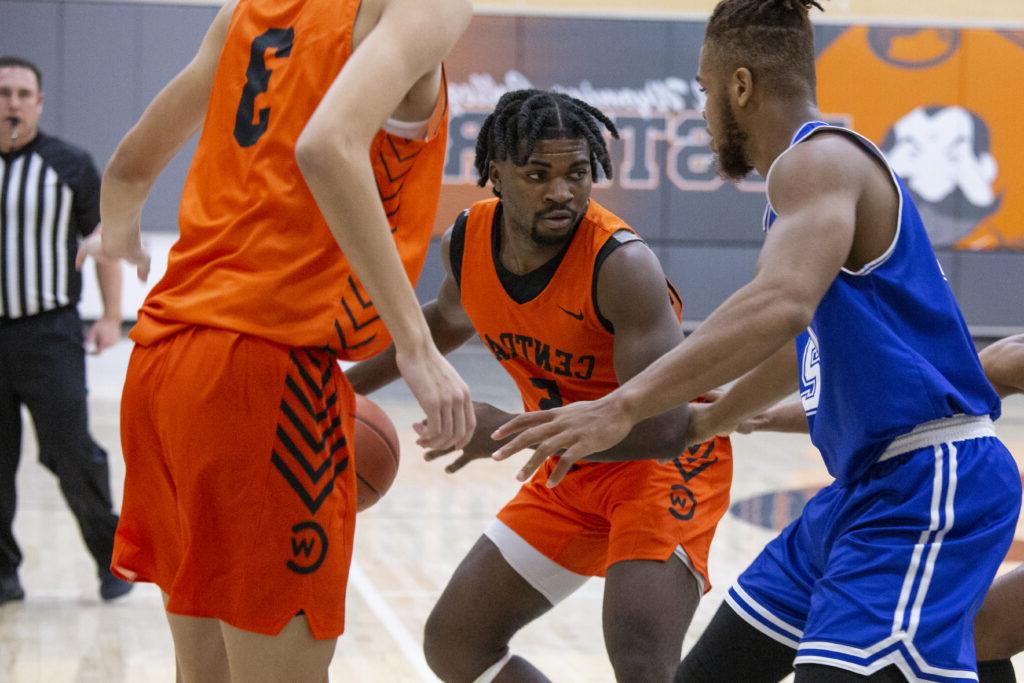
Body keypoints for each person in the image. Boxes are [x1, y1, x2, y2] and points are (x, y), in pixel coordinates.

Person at [492, 2, 1021, 681]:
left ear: (740, 86)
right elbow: (801, 332)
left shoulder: (816, 162)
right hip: (863, 489)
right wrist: (713, 416)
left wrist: (621, 405)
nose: (707, 111)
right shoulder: (813, 179)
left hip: (928, 484)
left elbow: (778, 305)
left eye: (706, 91)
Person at [84, 0, 474, 680]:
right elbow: (327, 145)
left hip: (165, 357)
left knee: (203, 672)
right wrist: (415, 343)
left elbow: (125, 167)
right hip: (264, 366)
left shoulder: (248, 9)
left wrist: (120, 228)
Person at [346, 88, 733, 683]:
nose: (562, 192)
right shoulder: (469, 239)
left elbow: (663, 428)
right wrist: (336, 389)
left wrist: (502, 432)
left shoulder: (622, 267)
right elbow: (443, 323)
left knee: (640, 658)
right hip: (565, 464)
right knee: (456, 645)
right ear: (496, 175)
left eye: (578, 173)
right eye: (538, 174)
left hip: (663, 464)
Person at [0, 55, 131, 605]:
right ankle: (3, 576)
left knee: (72, 452)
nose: (11, 103)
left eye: (22, 94)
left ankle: (111, 561)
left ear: (40, 102)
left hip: (49, 334)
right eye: (3, 92)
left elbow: (101, 242)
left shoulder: (69, 164)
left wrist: (108, 315)